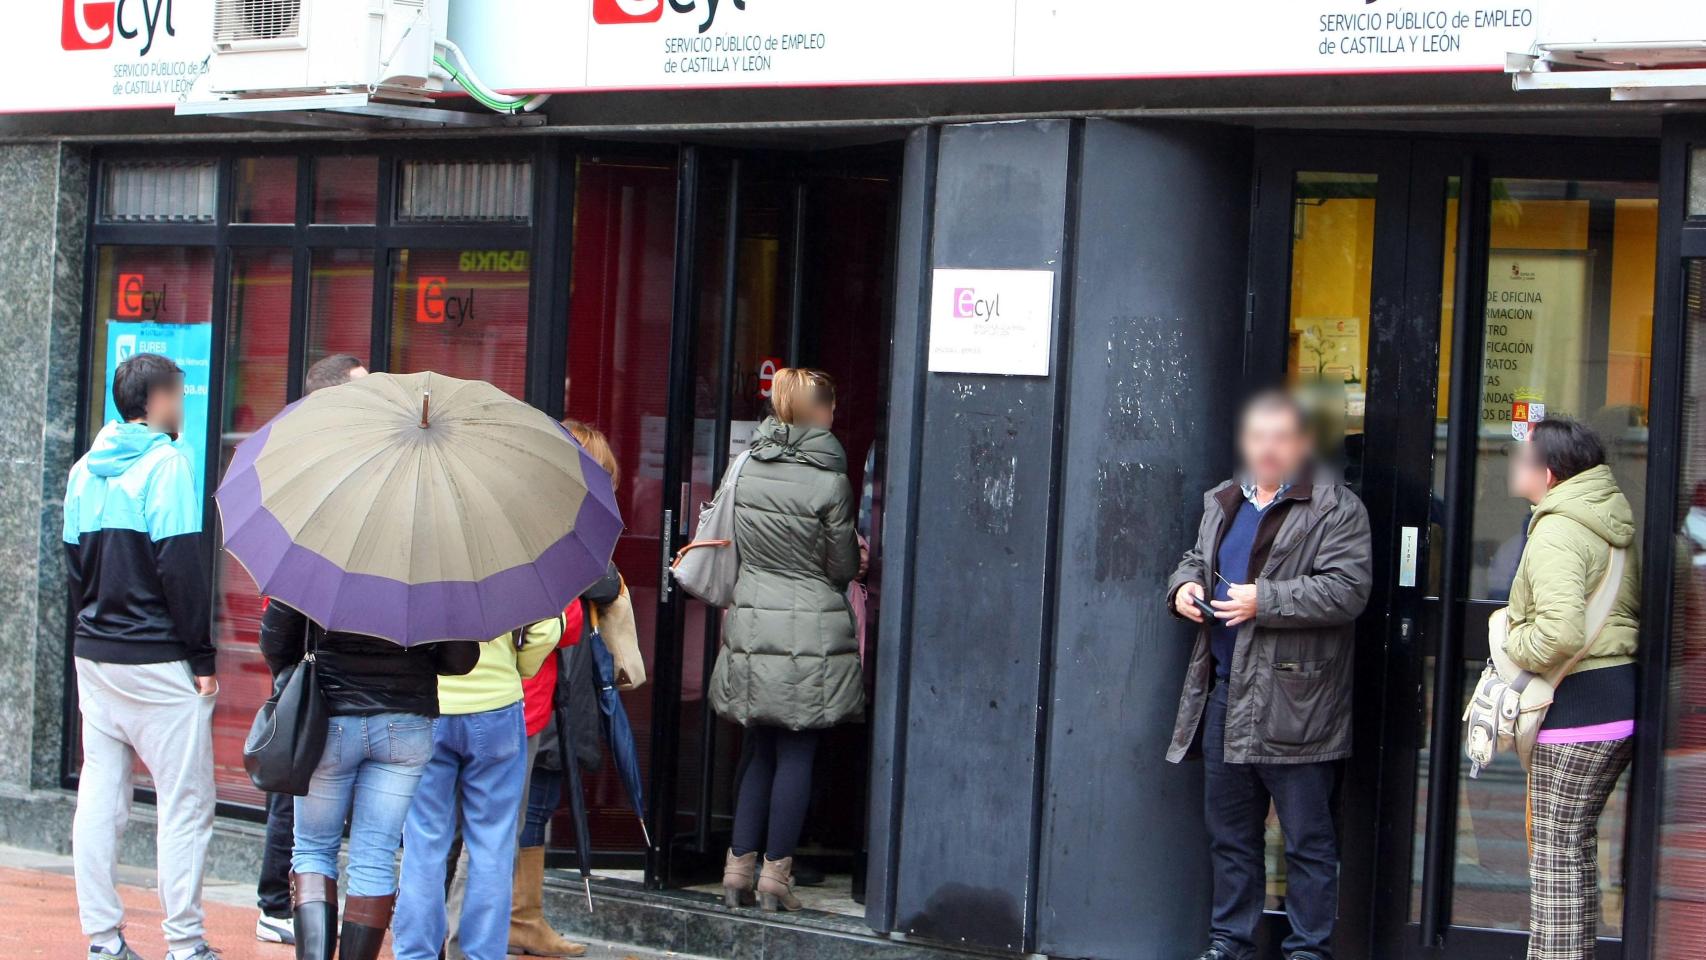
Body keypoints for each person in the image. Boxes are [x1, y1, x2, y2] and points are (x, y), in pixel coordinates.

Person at [1165, 389, 1372, 960]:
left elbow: (1349, 590)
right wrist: (1184, 585)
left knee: (1307, 839)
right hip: (1225, 693)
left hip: (1296, 700)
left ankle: (1308, 949)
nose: (1268, 448)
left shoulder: (1335, 507)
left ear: (1303, 443)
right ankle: (1230, 943)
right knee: (1231, 837)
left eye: (1281, 437)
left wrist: (1267, 601)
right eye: (1258, 437)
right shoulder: (1224, 499)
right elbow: (1195, 557)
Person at [63, 353, 219, 960]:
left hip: (95, 654)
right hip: (156, 660)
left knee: (101, 799)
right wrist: (202, 657)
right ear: (155, 401)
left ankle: (103, 941)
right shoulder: (167, 464)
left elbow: (75, 571)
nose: (182, 407)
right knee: (186, 804)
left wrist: (90, 630)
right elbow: (181, 568)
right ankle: (184, 943)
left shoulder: (84, 471)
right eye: (178, 396)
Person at [710, 368, 863, 912]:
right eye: (831, 406)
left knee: (758, 749)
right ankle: (776, 877)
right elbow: (842, 565)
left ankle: (736, 871)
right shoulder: (831, 481)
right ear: (817, 411)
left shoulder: (746, 466)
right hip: (811, 626)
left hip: (752, 620)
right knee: (798, 750)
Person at [259, 603, 480, 960]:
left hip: (327, 716)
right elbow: (460, 660)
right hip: (405, 720)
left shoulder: (320, 557)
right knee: (375, 856)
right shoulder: (432, 570)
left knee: (313, 848)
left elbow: (275, 641)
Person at [1502, 417, 1640, 960]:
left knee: (1554, 857)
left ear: (1548, 472)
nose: (1512, 465)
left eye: (1521, 458)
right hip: (1615, 702)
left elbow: (1560, 633)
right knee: (1575, 850)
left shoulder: (1558, 529)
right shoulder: (1605, 520)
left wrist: (1515, 643)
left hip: (1577, 709)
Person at [255, 351, 370, 946]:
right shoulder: (311, 469)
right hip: (312, 665)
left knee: (328, 829)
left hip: (353, 677)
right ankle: (276, 901)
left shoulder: (362, 465)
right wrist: (289, 671)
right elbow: (281, 604)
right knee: (298, 799)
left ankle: (288, 906)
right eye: (362, 389)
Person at [505, 420, 624, 958]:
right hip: (540, 691)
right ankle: (519, 919)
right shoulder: (557, 530)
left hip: (544, 690)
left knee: (533, 801)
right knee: (531, 802)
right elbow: (601, 585)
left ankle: (520, 918)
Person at [393, 616, 564, 960]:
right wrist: (519, 667)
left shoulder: (412, 561)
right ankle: (481, 954)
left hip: (426, 703)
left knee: (424, 843)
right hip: (496, 704)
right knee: (492, 845)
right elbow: (547, 629)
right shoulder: (511, 561)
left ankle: (415, 954)